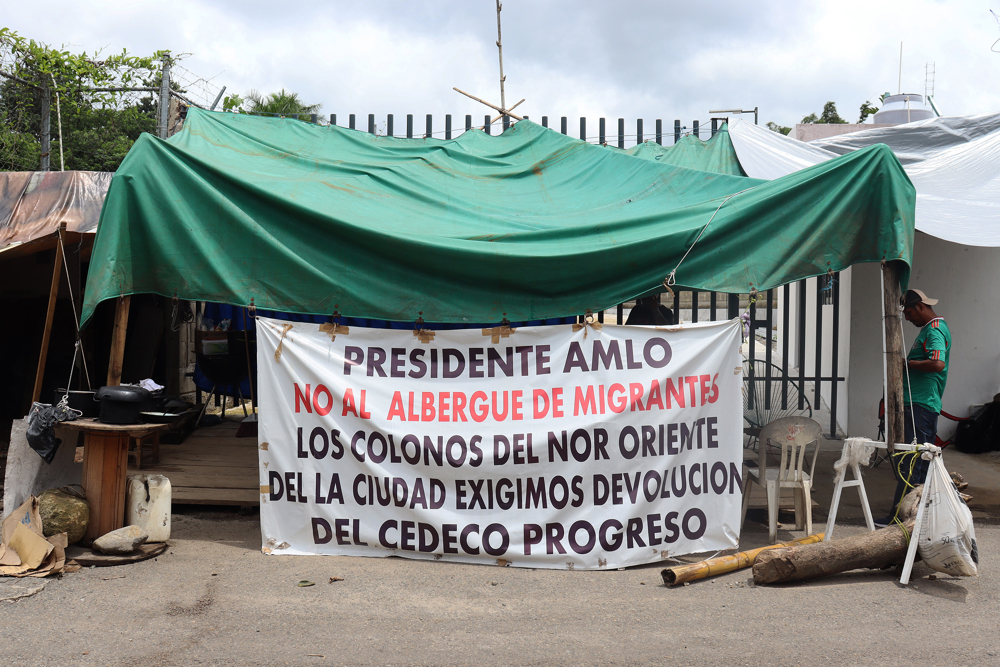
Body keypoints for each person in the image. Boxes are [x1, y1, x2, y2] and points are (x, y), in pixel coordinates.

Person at [875, 288, 952, 527]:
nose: (908, 319)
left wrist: (908, 364)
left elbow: (938, 363)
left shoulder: (934, 329)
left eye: (909, 313)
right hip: (921, 404)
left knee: (912, 463)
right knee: (919, 462)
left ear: (920, 307)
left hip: (920, 404)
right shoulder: (930, 330)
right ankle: (918, 518)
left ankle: (899, 518)